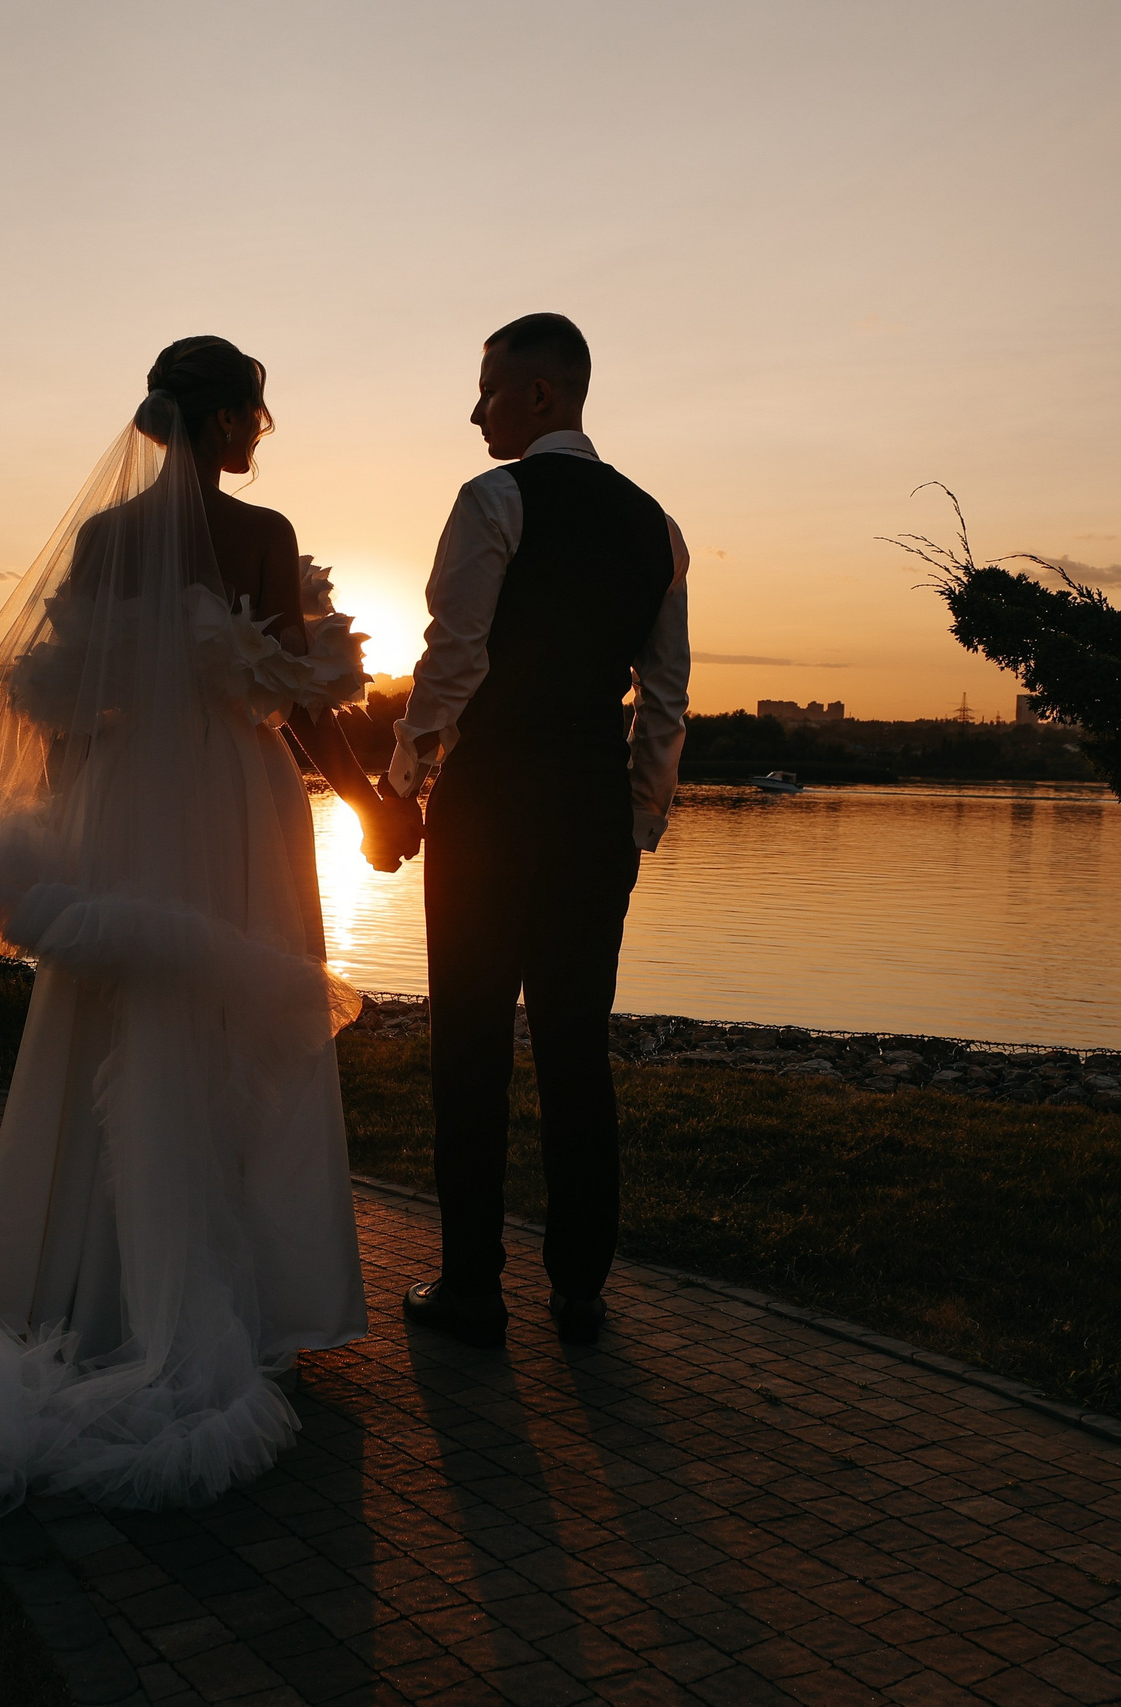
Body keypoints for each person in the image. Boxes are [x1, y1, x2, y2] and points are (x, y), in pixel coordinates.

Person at [0, 337, 418, 1514]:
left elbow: (62, 703)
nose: (260, 436)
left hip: (128, 792)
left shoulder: (100, 542)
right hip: (235, 804)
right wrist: (368, 807)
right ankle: (234, 1301)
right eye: (255, 415)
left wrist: (82, 812)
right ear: (226, 420)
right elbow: (299, 711)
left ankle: (80, 1293)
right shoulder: (262, 537)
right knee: (231, 1020)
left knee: (109, 1011)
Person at [384, 313, 691, 1348]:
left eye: (488, 390)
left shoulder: (494, 498)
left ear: (543, 395)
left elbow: (453, 659)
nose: (475, 411)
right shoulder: (656, 526)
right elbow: (665, 700)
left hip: (491, 804)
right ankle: (579, 1288)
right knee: (575, 1045)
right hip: (590, 813)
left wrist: (406, 775)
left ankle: (472, 1288)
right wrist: (640, 820)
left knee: (469, 1041)